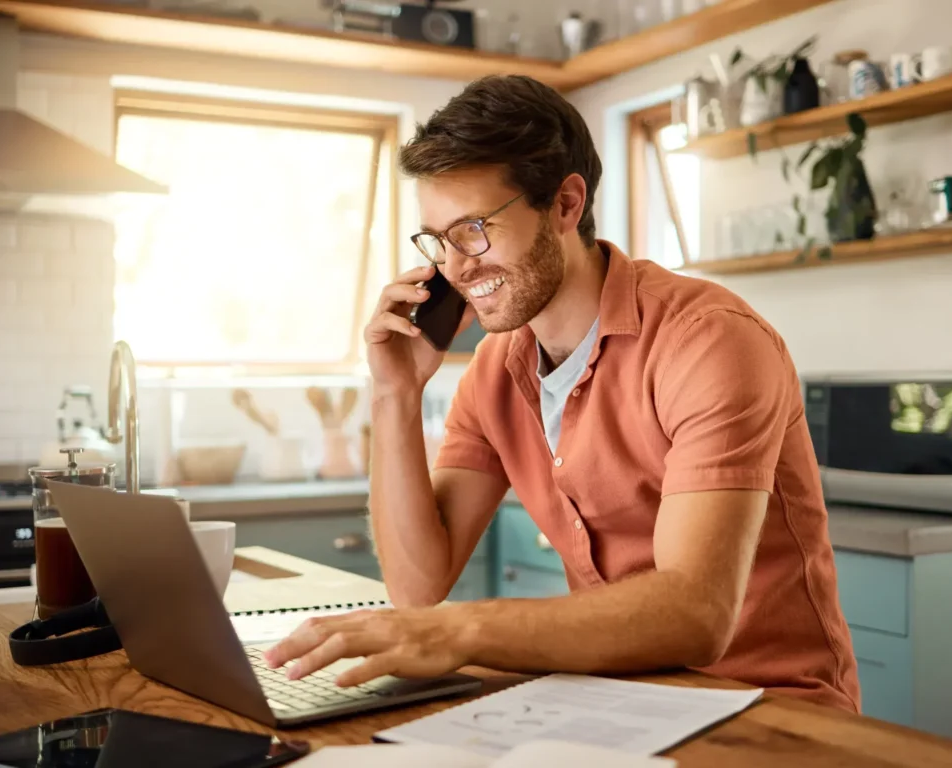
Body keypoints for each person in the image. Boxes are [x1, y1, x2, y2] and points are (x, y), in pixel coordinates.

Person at [264, 74, 861, 713]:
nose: (456, 267)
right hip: (616, 704)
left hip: (770, 711)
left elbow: (696, 613)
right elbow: (416, 585)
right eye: (439, 240)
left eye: (473, 229)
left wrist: (455, 632)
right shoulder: (494, 371)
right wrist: (394, 393)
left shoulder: (708, 341)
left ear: (566, 205)